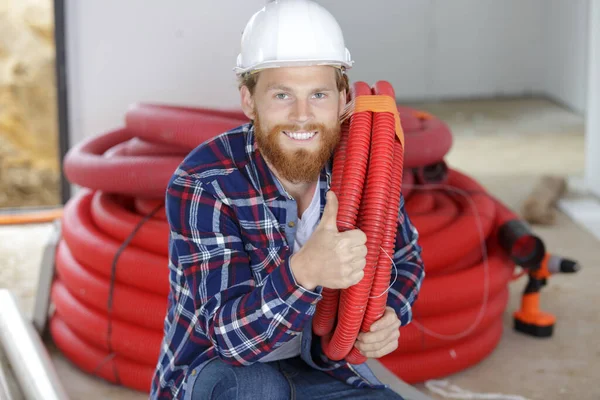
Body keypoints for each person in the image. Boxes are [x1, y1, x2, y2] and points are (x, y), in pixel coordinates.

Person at [150, 1, 425, 399]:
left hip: (317, 363)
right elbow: (231, 340)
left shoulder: (366, 167)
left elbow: (406, 257)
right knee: (259, 390)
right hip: (220, 371)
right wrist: (304, 272)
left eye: (318, 94)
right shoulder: (205, 181)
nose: (302, 115)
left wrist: (390, 312)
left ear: (343, 98)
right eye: (282, 94)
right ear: (249, 100)